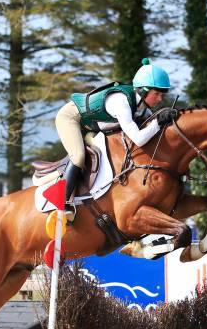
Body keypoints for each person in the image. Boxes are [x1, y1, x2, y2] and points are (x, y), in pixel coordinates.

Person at [55, 58, 178, 215]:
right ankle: (62, 202)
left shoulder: (141, 107)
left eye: (162, 95)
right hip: (71, 118)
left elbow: (152, 129)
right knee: (78, 156)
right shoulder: (121, 103)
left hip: (92, 126)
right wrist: (158, 122)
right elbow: (139, 139)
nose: (160, 99)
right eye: (157, 94)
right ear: (143, 90)